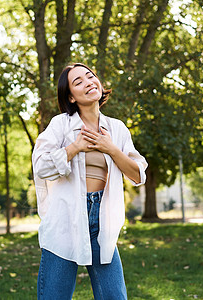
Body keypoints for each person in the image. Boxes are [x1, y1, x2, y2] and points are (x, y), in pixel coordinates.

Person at [32, 62, 148, 299]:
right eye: (78, 82)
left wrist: (112, 150)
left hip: (101, 222)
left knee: (115, 296)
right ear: (71, 97)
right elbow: (41, 166)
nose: (88, 82)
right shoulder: (61, 125)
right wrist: (74, 147)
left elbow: (138, 174)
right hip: (65, 219)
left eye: (90, 76)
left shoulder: (116, 129)